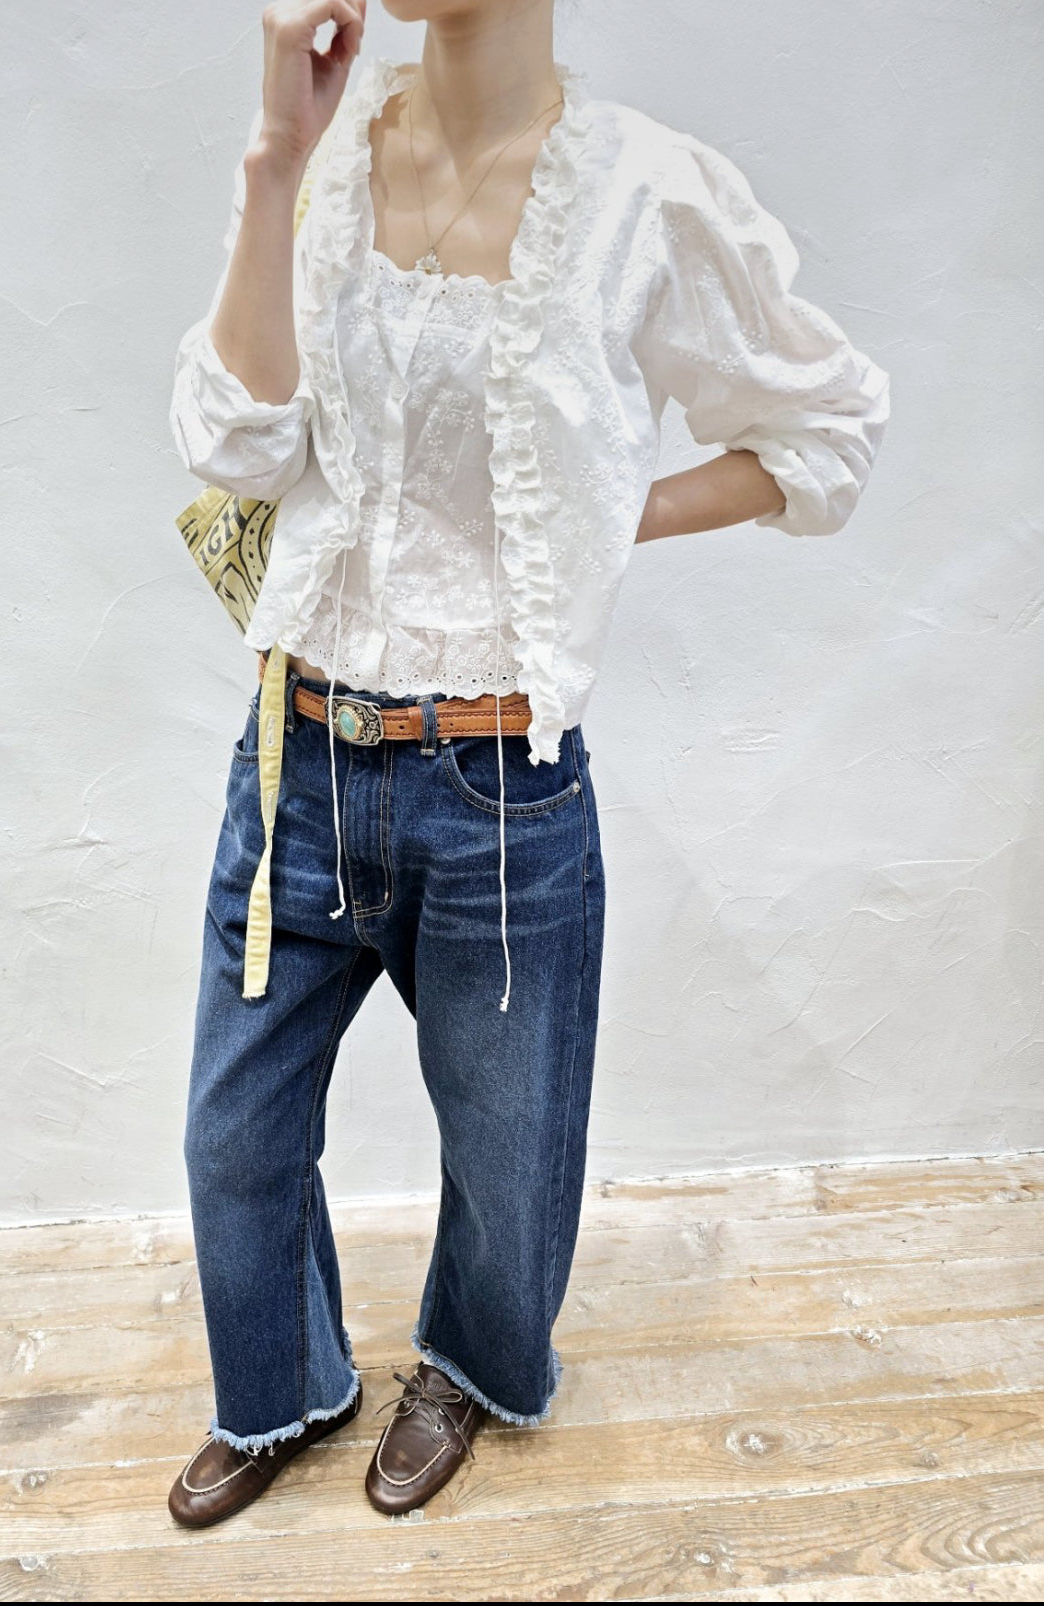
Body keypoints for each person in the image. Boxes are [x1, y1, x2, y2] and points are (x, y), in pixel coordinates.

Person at [165, 0, 890, 1528]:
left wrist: (610, 509)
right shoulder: (331, 165)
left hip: (498, 791)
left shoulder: (642, 195)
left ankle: (472, 1368)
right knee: (234, 1134)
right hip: (298, 762)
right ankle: (284, 1381)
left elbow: (828, 429)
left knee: (509, 1152)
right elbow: (236, 448)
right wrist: (274, 159)